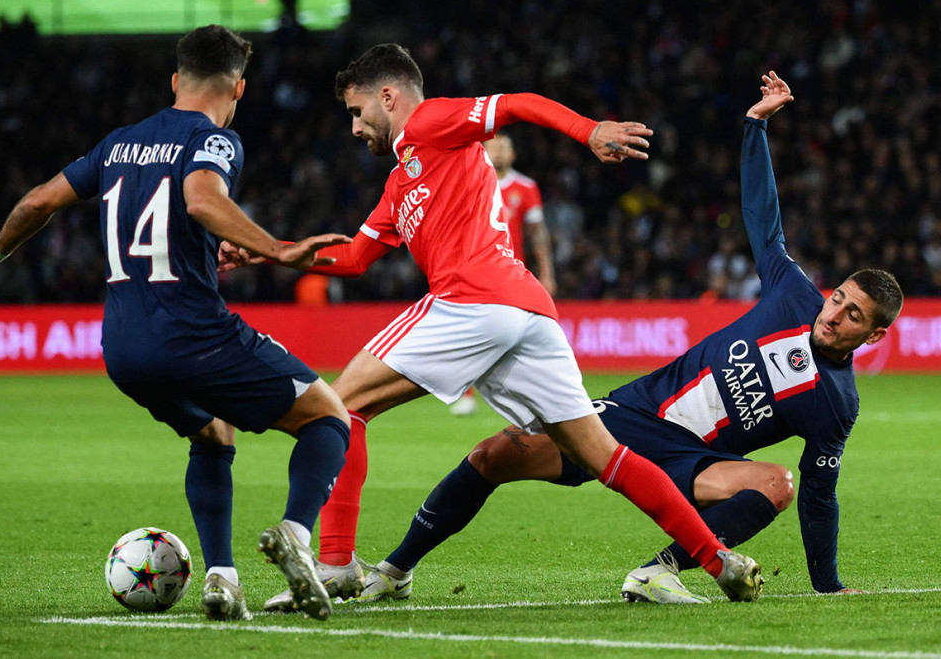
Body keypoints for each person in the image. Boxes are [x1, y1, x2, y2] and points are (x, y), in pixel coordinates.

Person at [224, 43, 762, 610]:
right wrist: (267, 253)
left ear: (390, 96)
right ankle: (717, 559)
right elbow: (354, 257)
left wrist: (588, 131)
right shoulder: (401, 180)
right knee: (606, 456)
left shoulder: (430, 121)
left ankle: (334, 563)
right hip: (524, 313)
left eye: (358, 113)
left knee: (338, 407)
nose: (355, 127)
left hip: (472, 300)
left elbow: (518, 103)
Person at [354, 72, 904, 604]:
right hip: (637, 415)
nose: (834, 314)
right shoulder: (792, 294)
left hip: (696, 463)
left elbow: (818, 494)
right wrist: (755, 127)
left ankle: (659, 572)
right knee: (493, 454)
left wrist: (828, 585)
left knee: (777, 483)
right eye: (838, 299)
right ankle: (395, 569)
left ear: (874, 335)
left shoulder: (837, 403)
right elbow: (763, 217)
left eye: (853, 316)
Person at [0, 25, 354, 622]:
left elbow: (37, 202)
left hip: (125, 351)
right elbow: (201, 201)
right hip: (196, 338)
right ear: (238, 87)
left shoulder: (118, 143)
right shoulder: (212, 140)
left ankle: (221, 580)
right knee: (328, 416)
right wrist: (277, 249)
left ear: (175, 80)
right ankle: (295, 534)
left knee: (212, 433)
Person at [449, 132, 556, 416]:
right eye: (492, 147)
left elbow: (537, 234)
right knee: (470, 332)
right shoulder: (468, 183)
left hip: (512, 275)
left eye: (503, 148)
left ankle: (533, 394)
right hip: (474, 272)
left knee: (518, 337)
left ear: (513, 155)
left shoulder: (526, 187)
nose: (497, 153)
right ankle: (468, 395)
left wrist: (546, 272)